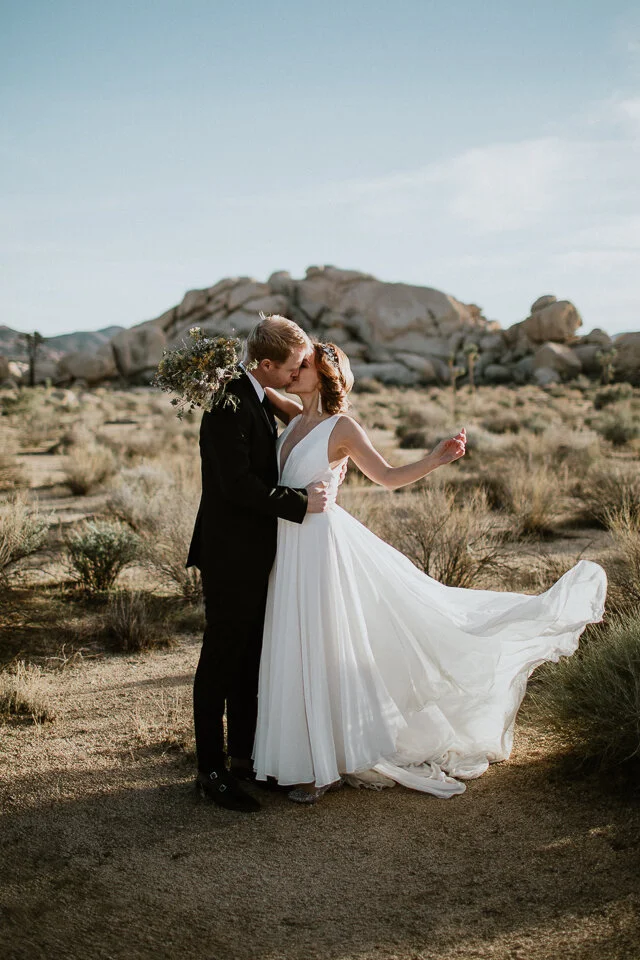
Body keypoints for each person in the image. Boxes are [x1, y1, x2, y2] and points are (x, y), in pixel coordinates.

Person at [253, 341, 607, 802]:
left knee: (322, 641)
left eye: (303, 365)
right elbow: (257, 385)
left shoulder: (343, 427)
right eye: (295, 364)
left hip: (320, 545)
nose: (293, 370)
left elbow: (387, 476)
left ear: (322, 377)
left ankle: (324, 764)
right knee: (295, 641)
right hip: (290, 542)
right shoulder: (295, 418)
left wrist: (436, 459)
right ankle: (305, 751)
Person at [186, 315, 336, 812]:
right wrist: (298, 502)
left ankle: (243, 759)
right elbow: (234, 485)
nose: (297, 374)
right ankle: (210, 771)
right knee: (221, 660)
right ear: (267, 364)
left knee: (250, 658)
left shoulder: (252, 393)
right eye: (293, 366)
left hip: (255, 553)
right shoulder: (230, 401)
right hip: (229, 554)